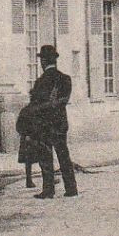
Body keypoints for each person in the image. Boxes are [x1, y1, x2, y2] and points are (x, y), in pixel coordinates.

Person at [26, 45, 76, 199]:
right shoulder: (65, 79)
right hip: (60, 123)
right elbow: (64, 100)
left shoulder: (41, 82)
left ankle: (49, 190)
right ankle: (71, 188)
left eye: (41, 60)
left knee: (46, 157)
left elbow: (35, 105)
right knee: (63, 155)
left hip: (45, 124)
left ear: (43, 61)